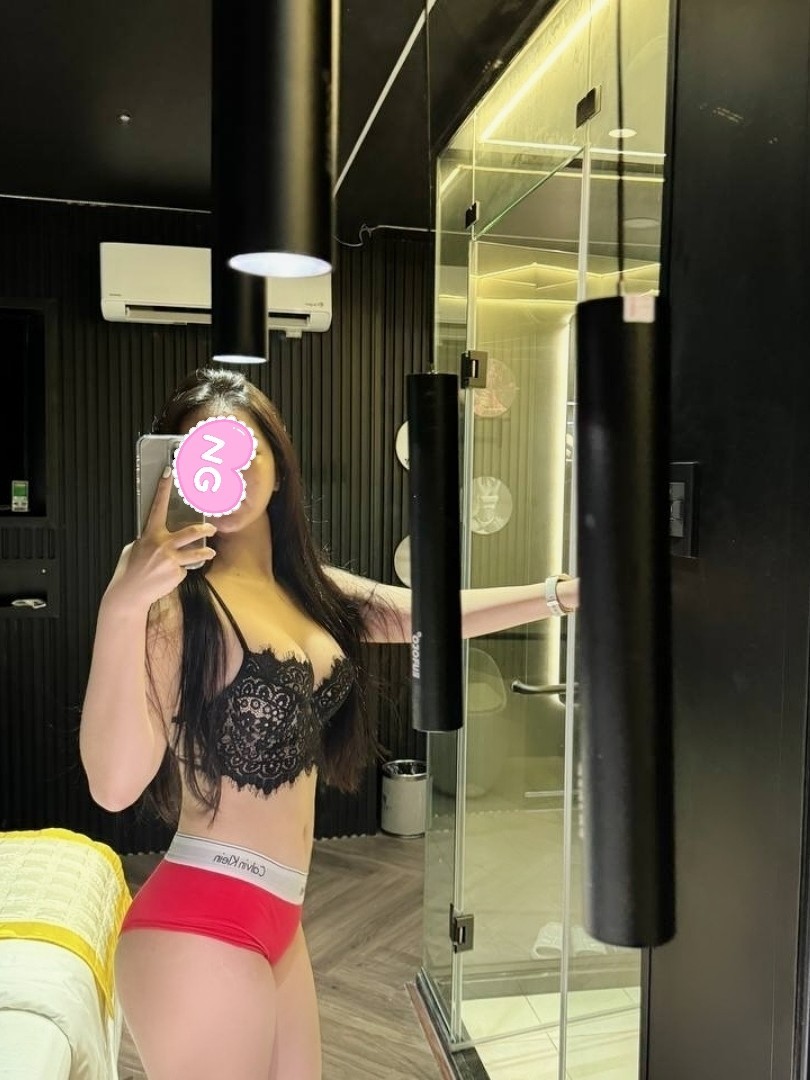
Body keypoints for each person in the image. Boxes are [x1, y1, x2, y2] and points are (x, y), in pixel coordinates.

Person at [79, 368, 579, 1080]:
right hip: (199, 925)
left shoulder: (308, 591)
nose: (227, 470)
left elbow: (428, 616)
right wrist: (122, 606)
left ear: (279, 467)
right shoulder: (175, 606)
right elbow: (113, 785)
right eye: (201, 453)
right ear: (177, 470)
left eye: (243, 450)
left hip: (281, 917)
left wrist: (562, 595)